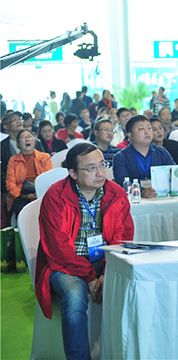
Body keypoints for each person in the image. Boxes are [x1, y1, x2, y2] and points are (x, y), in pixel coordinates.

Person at [35, 143, 134, 359]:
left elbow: (122, 239)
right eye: (91, 168)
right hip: (65, 265)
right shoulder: (56, 197)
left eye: (102, 165)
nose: (100, 173)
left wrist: (107, 272)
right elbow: (58, 250)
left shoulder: (116, 193)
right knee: (74, 296)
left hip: (106, 261)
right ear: (73, 173)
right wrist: (90, 277)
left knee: (137, 285)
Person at [112, 115, 178, 198]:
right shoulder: (120, 157)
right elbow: (122, 182)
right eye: (141, 129)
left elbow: (175, 172)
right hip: (135, 201)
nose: (147, 132)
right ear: (130, 135)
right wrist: (141, 191)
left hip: (160, 198)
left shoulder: (162, 152)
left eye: (149, 128)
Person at [6, 129, 53, 217]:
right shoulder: (13, 160)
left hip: (42, 194)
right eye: (23, 138)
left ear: (34, 141)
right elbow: (10, 184)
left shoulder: (45, 157)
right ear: (18, 144)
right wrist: (24, 196)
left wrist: (39, 193)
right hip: (21, 195)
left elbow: (48, 180)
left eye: (29, 137)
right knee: (23, 210)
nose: (27, 139)